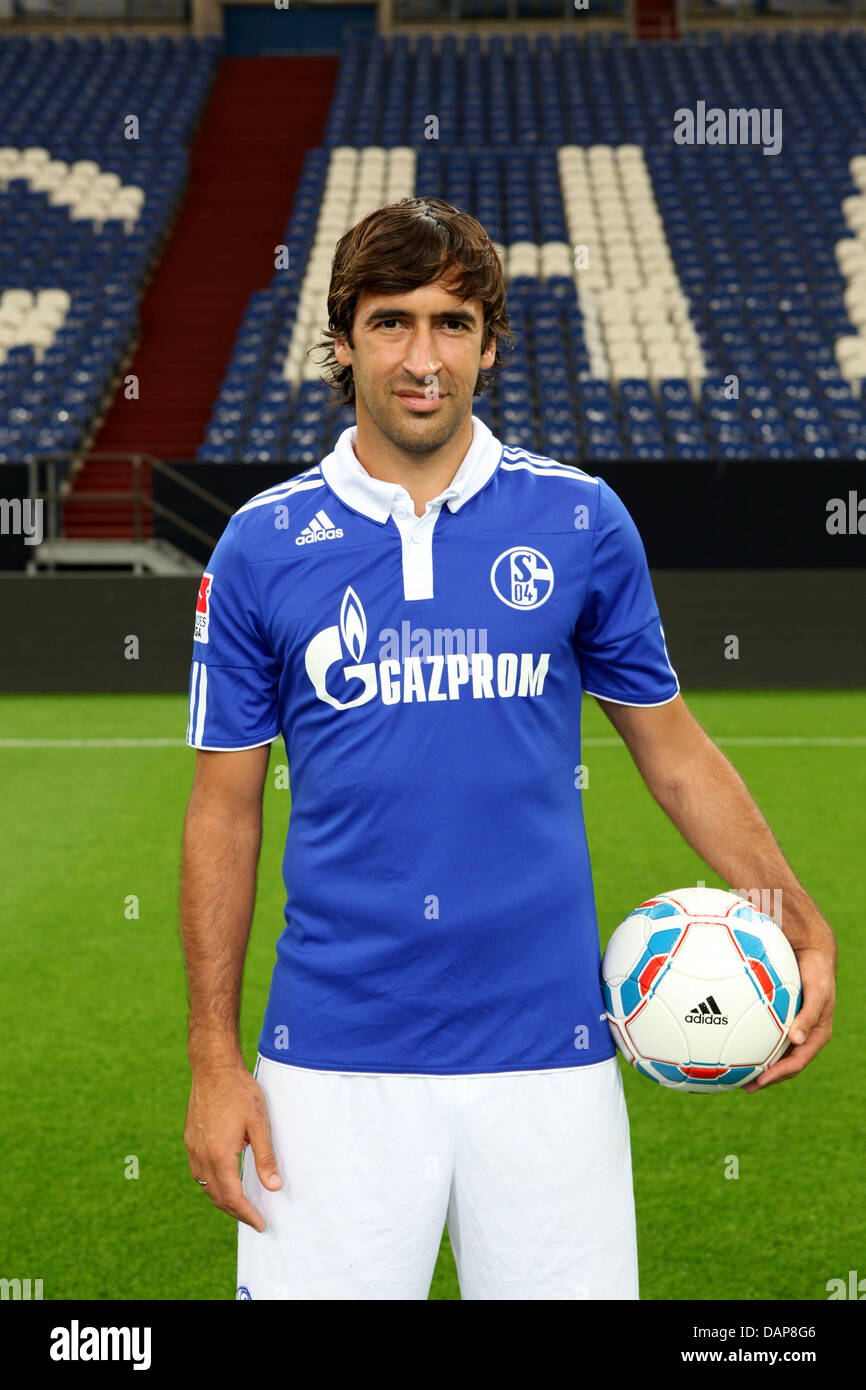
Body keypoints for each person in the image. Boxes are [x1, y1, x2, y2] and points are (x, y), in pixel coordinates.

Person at [180, 197, 837, 1301]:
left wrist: (798, 921)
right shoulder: (258, 545)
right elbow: (223, 810)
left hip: (551, 1058)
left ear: (490, 342)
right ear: (342, 343)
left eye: (451, 323)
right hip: (328, 1060)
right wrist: (212, 1056)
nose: (421, 358)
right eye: (390, 323)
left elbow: (670, 750)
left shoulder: (579, 521)